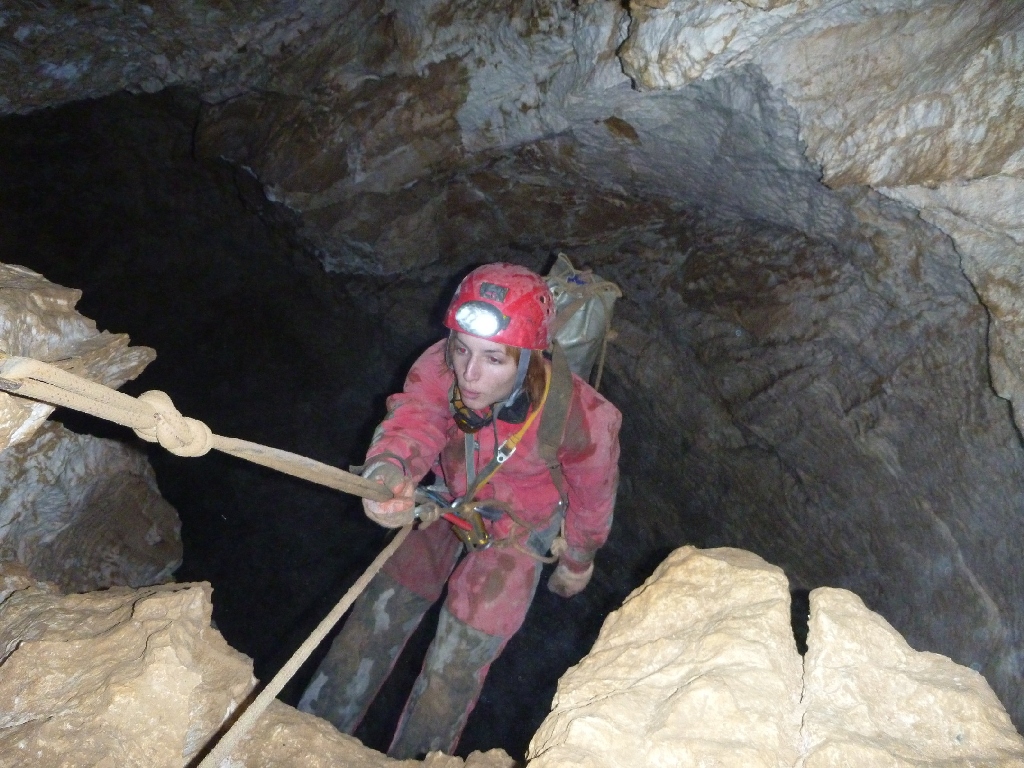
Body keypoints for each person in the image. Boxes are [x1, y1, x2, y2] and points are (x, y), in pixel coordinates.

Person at [298, 262, 621, 758]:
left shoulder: (581, 414)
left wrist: (578, 559)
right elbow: (416, 418)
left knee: (455, 663)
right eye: (463, 349)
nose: (470, 374)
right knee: (376, 616)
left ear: (528, 361)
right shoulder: (441, 366)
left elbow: (594, 493)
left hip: (516, 530)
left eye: (494, 359)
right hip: (445, 499)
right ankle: (303, 741)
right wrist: (389, 470)